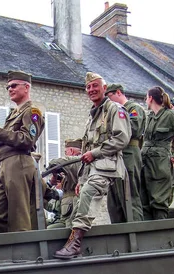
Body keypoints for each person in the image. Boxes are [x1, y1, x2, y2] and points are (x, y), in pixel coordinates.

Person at [53, 72, 130, 259]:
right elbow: (86, 149)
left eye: (95, 86)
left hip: (108, 166)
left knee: (89, 192)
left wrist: (94, 153)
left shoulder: (114, 109)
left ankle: (75, 242)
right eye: (88, 87)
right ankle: (71, 238)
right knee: (79, 198)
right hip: (91, 169)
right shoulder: (92, 117)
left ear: (104, 88)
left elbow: (122, 138)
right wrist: (81, 178)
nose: (91, 90)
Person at [0, 70, 45, 232]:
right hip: (6, 164)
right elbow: (14, 139)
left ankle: (23, 253)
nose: (10, 89)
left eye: (13, 86)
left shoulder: (32, 112)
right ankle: (8, 249)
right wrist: (0, 152)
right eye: (8, 87)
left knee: (19, 217)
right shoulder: (14, 113)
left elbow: (27, 140)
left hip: (19, 164)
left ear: (26, 88)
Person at [140, 87, 174, 220]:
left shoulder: (170, 115)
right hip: (145, 161)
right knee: (144, 201)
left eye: (146, 97)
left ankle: (161, 234)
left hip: (160, 163)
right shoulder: (150, 117)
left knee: (158, 201)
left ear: (150, 98)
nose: (146, 100)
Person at [104, 83, 145, 222]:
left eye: (110, 97)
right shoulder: (111, 113)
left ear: (119, 93)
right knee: (114, 201)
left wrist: (115, 129)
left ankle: (137, 233)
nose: (109, 101)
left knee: (130, 196)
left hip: (129, 153)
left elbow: (134, 129)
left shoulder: (133, 109)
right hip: (115, 156)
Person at [47, 139, 82, 229]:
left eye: (66, 152)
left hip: (72, 213)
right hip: (66, 214)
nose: (65, 155)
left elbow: (54, 162)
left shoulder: (77, 162)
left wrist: (52, 168)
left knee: (49, 231)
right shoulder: (71, 166)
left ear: (71, 151)